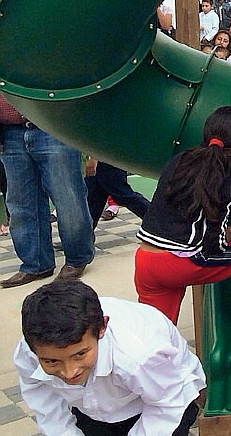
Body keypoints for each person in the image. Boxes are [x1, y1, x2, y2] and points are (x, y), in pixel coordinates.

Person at [134, 107, 231, 353]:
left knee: (155, 340)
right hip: (177, 264)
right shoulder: (226, 179)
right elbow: (214, 243)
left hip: (146, 260)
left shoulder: (179, 161)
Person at [16, 280, 206, 436]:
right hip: (96, 408)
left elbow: (166, 402)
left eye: (80, 354)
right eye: (51, 362)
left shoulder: (138, 355)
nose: (69, 372)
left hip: (166, 397)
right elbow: (40, 393)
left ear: (102, 328)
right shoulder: (32, 347)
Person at [0, 95, 94, 287]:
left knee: (68, 198)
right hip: (9, 131)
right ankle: (35, 264)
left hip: (53, 126)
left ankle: (77, 258)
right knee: (20, 203)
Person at [83, 159, 150, 228]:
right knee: (93, 198)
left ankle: (158, 218)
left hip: (105, 158)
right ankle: (84, 234)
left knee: (122, 194)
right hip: (105, 160)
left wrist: (93, 159)